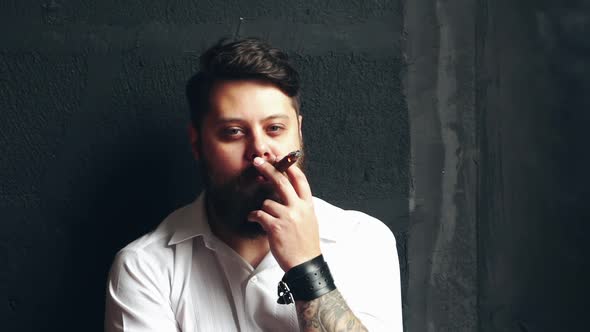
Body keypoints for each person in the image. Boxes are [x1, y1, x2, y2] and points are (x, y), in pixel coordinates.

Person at [104, 37, 403, 332]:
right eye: (234, 132)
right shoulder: (144, 267)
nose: (260, 149)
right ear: (197, 144)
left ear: (298, 132)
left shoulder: (363, 242)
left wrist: (308, 268)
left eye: (274, 128)